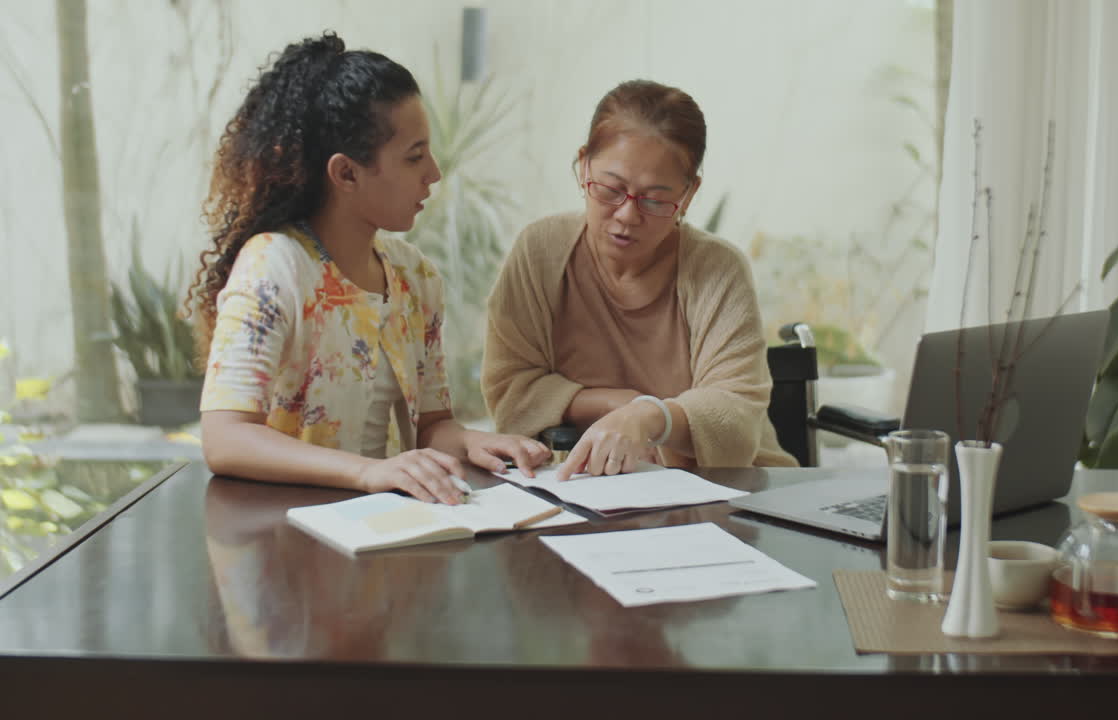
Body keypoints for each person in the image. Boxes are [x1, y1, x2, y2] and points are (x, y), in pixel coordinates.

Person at [190, 33, 548, 505]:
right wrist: (369, 473)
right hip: (286, 540)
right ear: (346, 174)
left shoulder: (416, 278)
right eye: (414, 157)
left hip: (386, 537)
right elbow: (226, 439)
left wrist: (472, 442)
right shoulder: (273, 266)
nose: (435, 173)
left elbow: (432, 427)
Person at [482, 79, 796, 481]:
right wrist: (620, 405)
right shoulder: (540, 252)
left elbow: (735, 420)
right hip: (583, 492)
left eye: (654, 200)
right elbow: (510, 395)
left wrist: (651, 417)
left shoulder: (717, 270)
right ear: (583, 166)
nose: (627, 216)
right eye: (611, 190)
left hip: (727, 495)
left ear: (689, 194)